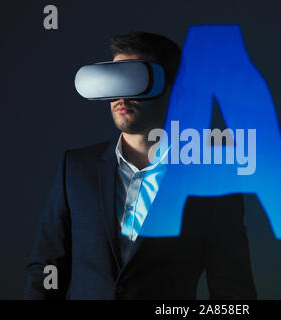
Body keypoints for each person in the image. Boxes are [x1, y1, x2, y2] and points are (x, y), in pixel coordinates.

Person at [23, 31, 256, 300]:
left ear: (174, 88)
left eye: (135, 79)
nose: (121, 96)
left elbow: (233, 287)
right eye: (115, 80)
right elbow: (46, 267)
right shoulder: (75, 169)